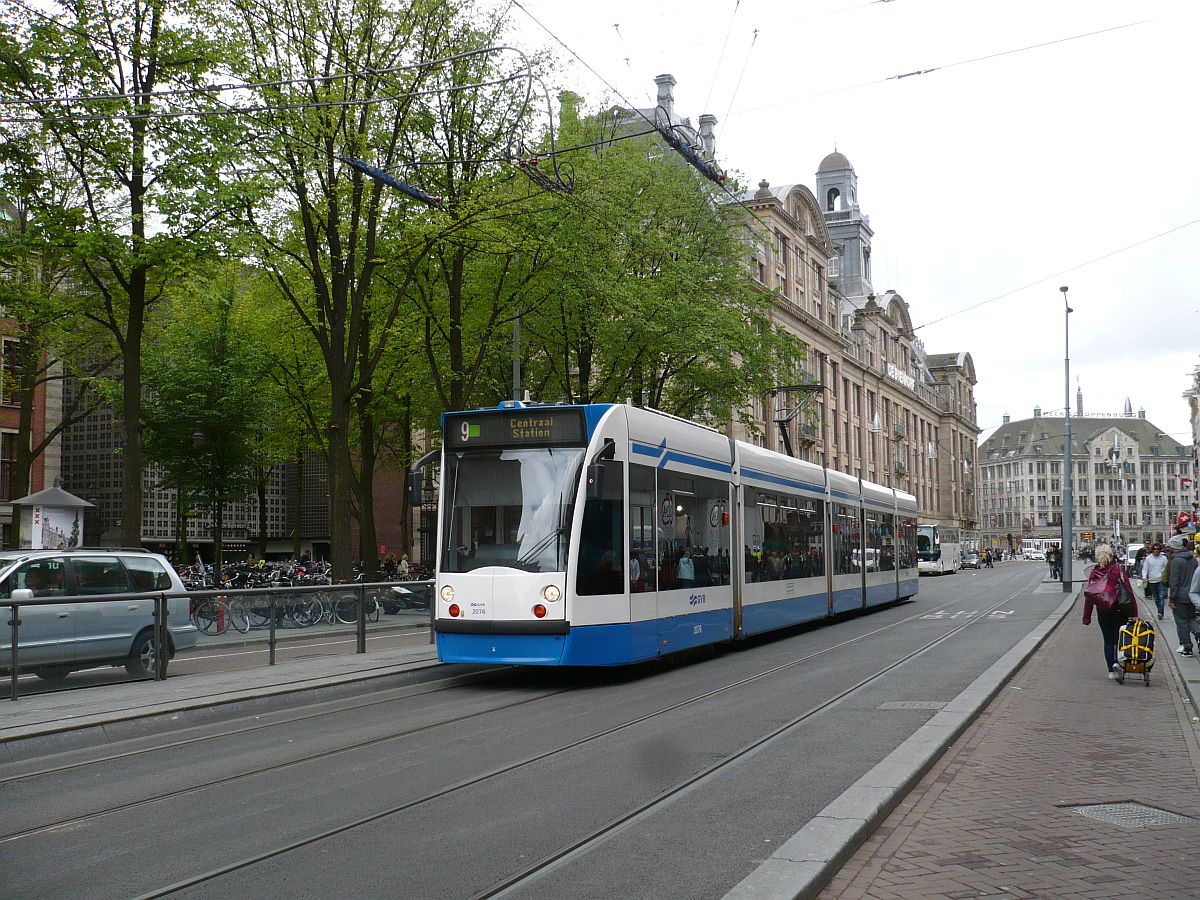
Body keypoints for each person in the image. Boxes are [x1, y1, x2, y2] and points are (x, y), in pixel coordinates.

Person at [1081, 543, 1137, 679]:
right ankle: (1118, 663)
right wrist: (1134, 613)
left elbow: (1090, 595)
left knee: (1107, 640)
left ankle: (1111, 670)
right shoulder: (1118, 570)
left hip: (1103, 610)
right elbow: (1128, 592)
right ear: (1111, 555)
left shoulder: (1094, 572)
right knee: (1119, 640)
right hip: (1119, 609)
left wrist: (1086, 617)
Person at [1166, 533, 1199, 656]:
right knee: (1192, 618)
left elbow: (1174, 581)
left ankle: (1187, 647)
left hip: (1180, 596)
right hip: (1193, 594)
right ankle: (1198, 633)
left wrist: (1172, 599)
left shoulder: (1176, 561)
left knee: (1181, 622)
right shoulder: (1192, 559)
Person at [1141, 542, 1168, 620]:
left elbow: (1166, 569)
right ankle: (1159, 610)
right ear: (1152, 550)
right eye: (1154, 549)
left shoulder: (1163, 558)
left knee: (1161, 596)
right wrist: (1144, 577)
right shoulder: (1148, 558)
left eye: (1158, 549)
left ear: (1160, 550)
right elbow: (1145, 569)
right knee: (1156, 598)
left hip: (1161, 580)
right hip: (1152, 580)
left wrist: (1165, 576)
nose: (1156, 550)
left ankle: (1160, 612)